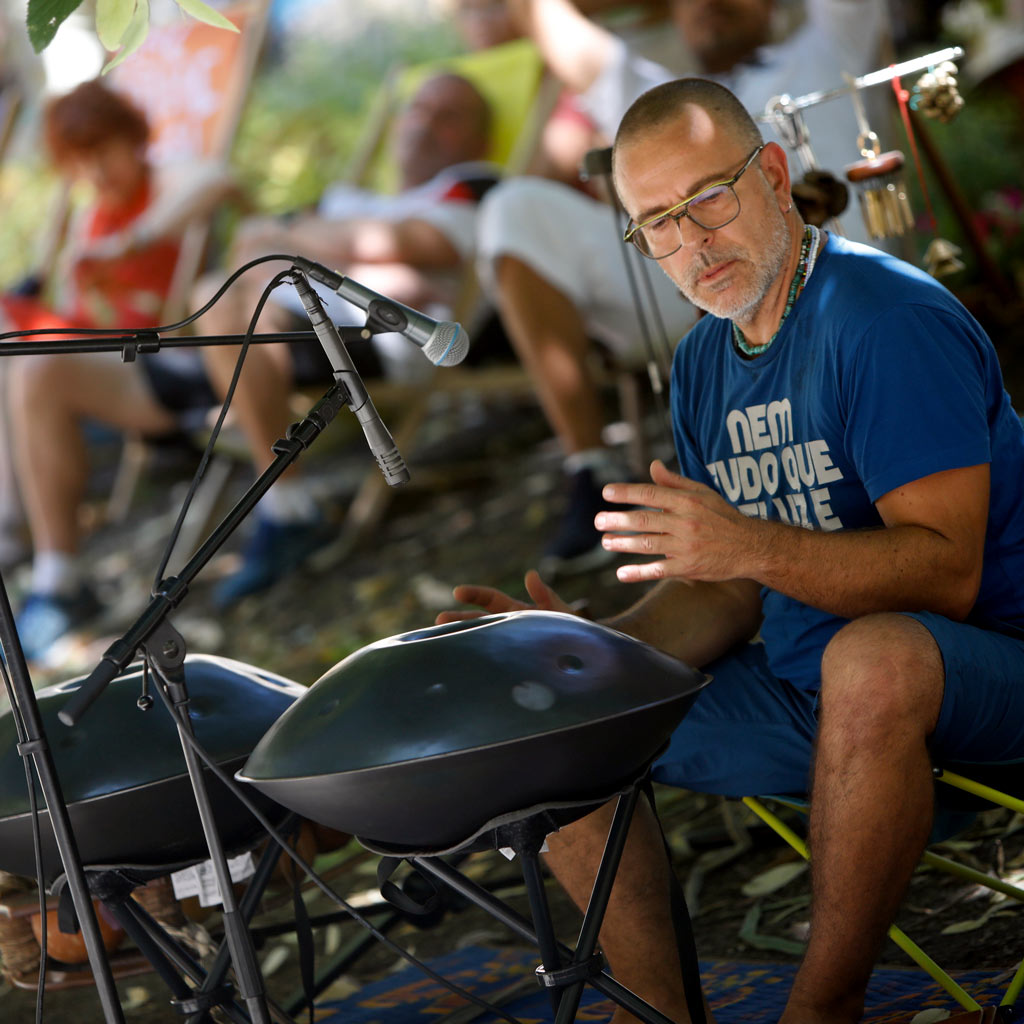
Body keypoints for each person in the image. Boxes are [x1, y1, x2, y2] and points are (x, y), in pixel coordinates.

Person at [439, 78, 1024, 1024]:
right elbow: (729, 591)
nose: (691, 244)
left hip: (980, 678)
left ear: (776, 176)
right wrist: (580, 648)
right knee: (563, 716)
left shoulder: (879, 320)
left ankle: (820, 1011)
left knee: (869, 658)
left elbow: (945, 574)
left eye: (708, 198)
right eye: (656, 225)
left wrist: (747, 542)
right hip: (812, 696)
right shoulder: (708, 361)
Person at [478, 0, 889, 576]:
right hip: (694, 294)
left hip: (836, 296)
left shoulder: (826, 45)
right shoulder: (659, 102)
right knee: (512, 207)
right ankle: (590, 468)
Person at [188, 70, 497, 608]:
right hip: (315, 314)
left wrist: (291, 241)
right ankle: (287, 502)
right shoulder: (355, 201)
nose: (425, 125)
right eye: (418, 110)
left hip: (385, 339)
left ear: (481, 137)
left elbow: (418, 250)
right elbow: (253, 243)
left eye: (449, 116)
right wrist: (341, 255)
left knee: (234, 302)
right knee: (216, 291)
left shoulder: (471, 185)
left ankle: (287, 507)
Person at [0, 79, 235, 657]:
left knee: (33, 366)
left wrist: (132, 241)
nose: (95, 172)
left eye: (101, 152)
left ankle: (52, 576)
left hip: (169, 368)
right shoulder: (90, 215)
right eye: (80, 161)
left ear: (131, 138)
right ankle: (18, 542)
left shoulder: (169, 180)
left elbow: (220, 182)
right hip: (105, 362)